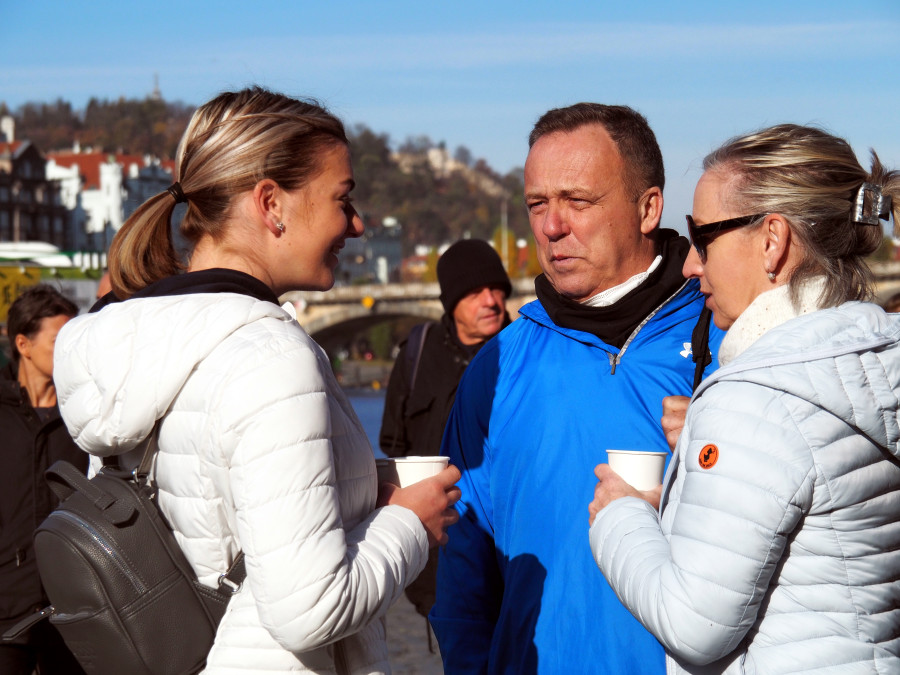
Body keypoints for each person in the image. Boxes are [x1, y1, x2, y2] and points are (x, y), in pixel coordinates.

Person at [52, 86, 461, 674]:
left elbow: (215, 509)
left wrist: (359, 492)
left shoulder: (132, 344)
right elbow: (311, 608)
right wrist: (410, 523)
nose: (356, 224)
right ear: (271, 203)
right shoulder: (271, 357)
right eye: (342, 198)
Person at [589, 124, 900, 673]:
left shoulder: (757, 395)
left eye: (703, 237)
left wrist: (620, 517)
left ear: (772, 240)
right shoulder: (868, 361)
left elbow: (694, 625)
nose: (691, 264)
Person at [431, 103, 723, 674]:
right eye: (537, 204)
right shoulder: (497, 366)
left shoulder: (725, 339)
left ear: (648, 208)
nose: (551, 226)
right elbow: (463, 569)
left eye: (578, 201)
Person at [380, 238, 511, 620]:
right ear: (451, 302)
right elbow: (393, 445)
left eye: (497, 289)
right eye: (474, 293)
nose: (490, 301)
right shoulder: (418, 354)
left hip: (505, 548)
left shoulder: (522, 352)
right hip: (434, 554)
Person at [0, 284, 86, 674]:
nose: (68, 352)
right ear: (23, 344)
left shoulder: (85, 416)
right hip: (7, 604)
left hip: (75, 604)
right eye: (57, 342)